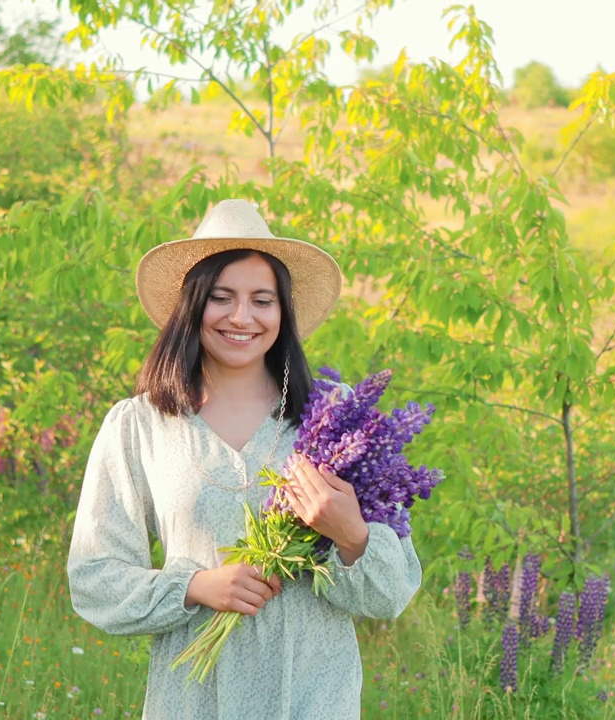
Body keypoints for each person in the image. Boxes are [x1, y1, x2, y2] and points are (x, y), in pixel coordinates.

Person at [67, 199, 422, 719]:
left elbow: (392, 594)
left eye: (262, 300)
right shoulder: (140, 425)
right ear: (192, 306)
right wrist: (196, 586)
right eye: (221, 297)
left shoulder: (335, 417)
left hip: (313, 696)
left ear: (283, 312)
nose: (241, 317)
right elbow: (94, 577)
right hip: (192, 701)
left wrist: (352, 535)